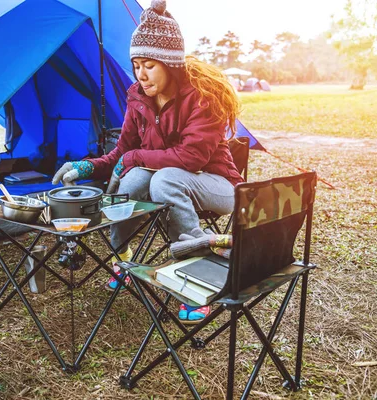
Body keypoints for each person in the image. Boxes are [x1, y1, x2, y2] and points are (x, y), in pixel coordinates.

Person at [52, 0, 242, 323]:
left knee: (161, 178)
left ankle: (198, 279)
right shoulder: (137, 97)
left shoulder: (201, 95)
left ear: (169, 63)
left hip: (220, 186)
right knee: (135, 178)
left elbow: (191, 157)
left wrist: (135, 157)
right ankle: (123, 259)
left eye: (149, 65)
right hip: (174, 182)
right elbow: (121, 154)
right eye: (136, 64)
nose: (141, 73)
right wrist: (85, 167)